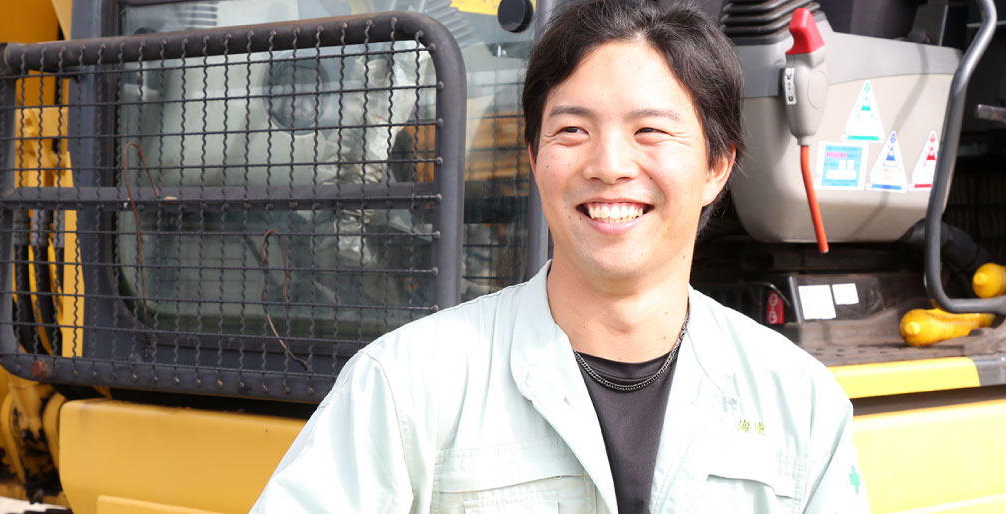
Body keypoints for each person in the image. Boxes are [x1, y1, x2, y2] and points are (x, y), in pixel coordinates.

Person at [251, 0, 869, 512]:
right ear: (534, 158)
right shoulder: (404, 386)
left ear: (716, 167)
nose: (609, 165)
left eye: (650, 131)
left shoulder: (801, 403)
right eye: (573, 130)